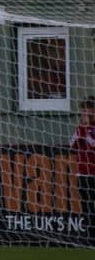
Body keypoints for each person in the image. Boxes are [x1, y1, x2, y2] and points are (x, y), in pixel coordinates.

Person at [73, 96, 95, 235]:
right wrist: (82, 130)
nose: (85, 114)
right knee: (86, 205)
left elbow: (93, 144)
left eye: (88, 110)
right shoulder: (80, 128)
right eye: (84, 111)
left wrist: (86, 130)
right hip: (83, 172)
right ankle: (90, 235)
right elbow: (72, 145)